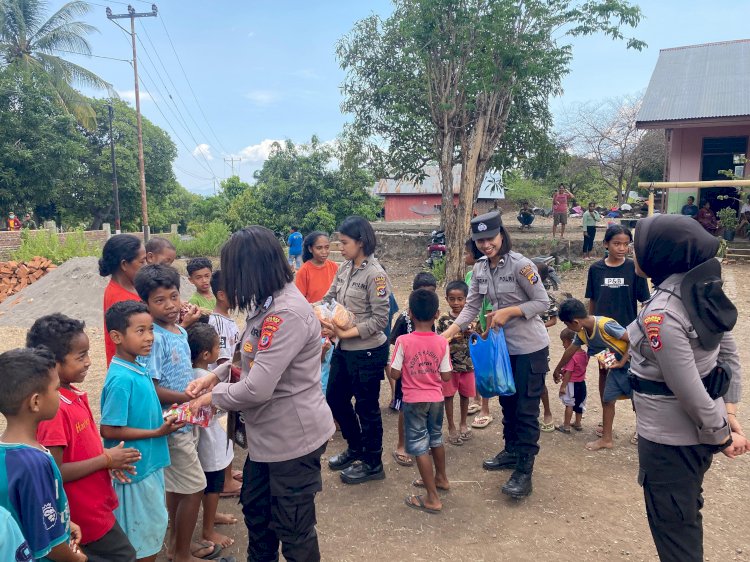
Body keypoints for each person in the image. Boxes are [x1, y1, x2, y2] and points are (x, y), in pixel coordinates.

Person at [185, 225, 335, 562]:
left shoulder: (286, 313)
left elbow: (257, 387)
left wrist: (212, 396)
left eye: (236, 272)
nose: (230, 283)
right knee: (257, 514)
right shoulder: (266, 303)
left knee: (293, 529)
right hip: (267, 438)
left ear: (253, 270)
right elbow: (249, 353)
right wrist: (215, 376)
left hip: (292, 439)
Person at [629, 214, 747, 561]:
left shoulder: (662, 314)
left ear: (661, 255)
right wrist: (729, 409)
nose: (636, 252)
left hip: (669, 443)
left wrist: (723, 435)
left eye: (640, 246)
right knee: (684, 517)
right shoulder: (699, 291)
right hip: (691, 440)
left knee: (675, 535)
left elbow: (688, 389)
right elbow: (728, 353)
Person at [441, 211, 550, 499]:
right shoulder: (479, 268)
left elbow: (542, 302)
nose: (485, 244)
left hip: (528, 349)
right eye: (479, 240)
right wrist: (446, 335)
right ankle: (511, 451)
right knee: (509, 403)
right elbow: (471, 307)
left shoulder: (521, 266)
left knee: (526, 409)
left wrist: (511, 311)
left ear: (501, 234)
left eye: (490, 238)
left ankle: (524, 471)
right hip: (501, 350)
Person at [29, 314, 139, 562]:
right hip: (82, 516)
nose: (89, 361)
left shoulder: (70, 395)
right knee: (125, 557)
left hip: (94, 506)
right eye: (81, 356)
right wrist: (106, 460)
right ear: (52, 363)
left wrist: (107, 463)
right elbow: (55, 471)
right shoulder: (54, 410)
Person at [133, 265, 215, 562]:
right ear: (146, 303)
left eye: (174, 296)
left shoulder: (180, 330)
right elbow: (151, 388)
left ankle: (174, 544)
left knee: (179, 488)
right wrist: (187, 396)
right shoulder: (153, 338)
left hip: (186, 420)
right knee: (194, 488)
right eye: (159, 300)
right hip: (173, 424)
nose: (170, 305)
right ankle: (181, 553)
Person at [100, 300, 186, 562]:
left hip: (149, 463)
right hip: (134, 470)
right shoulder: (121, 379)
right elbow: (110, 429)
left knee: (152, 529)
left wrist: (165, 420)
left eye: (150, 330)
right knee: (142, 542)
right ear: (116, 336)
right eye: (140, 331)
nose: (150, 337)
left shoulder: (138, 366)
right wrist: (157, 432)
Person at [321, 216, 391, 484]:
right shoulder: (345, 268)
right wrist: (318, 312)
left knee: (367, 408)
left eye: (344, 242)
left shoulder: (376, 274)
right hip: (344, 348)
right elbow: (329, 298)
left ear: (361, 242)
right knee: (335, 399)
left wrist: (343, 333)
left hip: (368, 352)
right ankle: (356, 447)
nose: (340, 246)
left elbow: (379, 320)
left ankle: (373, 463)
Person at [0, 347, 86, 562]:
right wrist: (79, 559)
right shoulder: (34, 463)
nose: (59, 394)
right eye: (56, 389)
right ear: (35, 402)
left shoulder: (7, 452)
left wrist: (64, 523)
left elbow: (33, 512)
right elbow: (50, 546)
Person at [389, 289, 452, 514]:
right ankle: (441, 478)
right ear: (437, 314)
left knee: (418, 446)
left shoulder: (404, 341)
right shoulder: (442, 342)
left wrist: (406, 368)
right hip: (436, 399)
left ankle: (432, 498)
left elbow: (394, 374)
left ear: (410, 314)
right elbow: (446, 376)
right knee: (436, 438)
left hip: (414, 400)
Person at [585, 224, 650, 441]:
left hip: (628, 337)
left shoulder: (635, 269)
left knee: (635, 377)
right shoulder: (595, 270)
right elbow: (592, 302)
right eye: (616, 243)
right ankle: (606, 420)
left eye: (625, 244)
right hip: (604, 338)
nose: (622, 248)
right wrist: (589, 331)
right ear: (606, 244)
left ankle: (641, 426)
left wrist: (641, 331)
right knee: (605, 372)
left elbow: (645, 303)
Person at [554, 298, 631, 452]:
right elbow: (571, 350)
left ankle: (646, 435)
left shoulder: (605, 324)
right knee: (608, 399)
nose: (567, 327)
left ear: (575, 322)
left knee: (639, 402)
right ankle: (607, 439)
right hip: (615, 369)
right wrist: (557, 369)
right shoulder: (582, 333)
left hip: (634, 366)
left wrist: (622, 361)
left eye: (566, 324)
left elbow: (633, 339)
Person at [186, 323, 236, 551]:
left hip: (207, 442)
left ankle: (212, 516)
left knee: (210, 485)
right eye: (218, 346)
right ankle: (208, 529)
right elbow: (213, 410)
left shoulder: (191, 375)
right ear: (207, 354)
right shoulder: (206, 379)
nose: (220, 350)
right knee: (213, 486)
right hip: (211, 443)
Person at [388, 272, 438, 467]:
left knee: (427, 408)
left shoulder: (434, 316)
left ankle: (425, 443)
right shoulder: (405, 318)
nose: (426, 298)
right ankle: (402, 445)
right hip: (407, 375)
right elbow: (394, 341)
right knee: (404, 409)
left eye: (431, 293)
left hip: (427, 373)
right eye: (422, 293)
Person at [207, 270, 243, 499]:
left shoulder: (226, 320)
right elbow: (223, 359)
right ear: (221, 294)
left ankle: (228, 474)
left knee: (227, 433)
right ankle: (225, 481)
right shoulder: (219, 323)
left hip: (226, 384)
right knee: (222, 433)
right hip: (222, 384)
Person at [436, 281, 476, 446]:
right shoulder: (444, 320)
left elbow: (479, 340)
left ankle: (463, 423)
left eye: (460, 299)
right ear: (446, 299)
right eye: (452, 299)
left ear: (467, 299)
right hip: (450, 367)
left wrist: (474, 333)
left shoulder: (472, 318)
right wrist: (453, 338)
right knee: (449, 396)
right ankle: (451, 426)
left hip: (468, 366)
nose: (456, 303)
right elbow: (438, 341)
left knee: (466, 395)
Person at [100, 234, 147, 366]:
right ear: (125, 264)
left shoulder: (129, 289)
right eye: (142, 262)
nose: (146, 266)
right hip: (131, 366)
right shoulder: (122, 300)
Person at [464, 238, 493, 426]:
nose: (464, 256)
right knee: (474, 365)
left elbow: (490, 307)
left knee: (485, 368)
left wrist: (487, 332)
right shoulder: (470, 274)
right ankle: (475, 400)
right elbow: (470, 304)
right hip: (477, 326)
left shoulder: (489, 274)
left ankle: (486, 408)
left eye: (467, 252)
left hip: (488, 328)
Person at [534, 260, 559, 433]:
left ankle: (547, 412)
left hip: (539, 344)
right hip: (521, 344)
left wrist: (538, 326)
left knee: (540, 380)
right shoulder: (520, 295)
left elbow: (553, 320)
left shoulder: (547, 298)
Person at [555, 328, 589, 434]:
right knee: (579, 404)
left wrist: (563, 386)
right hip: (582, 383)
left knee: (569, 404)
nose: (563, 345)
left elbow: (569, 372)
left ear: (570, 341)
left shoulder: (571, 356)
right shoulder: (584, 354)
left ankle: (566, 426)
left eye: (564, 342)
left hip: (571, 384)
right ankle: (578, 423)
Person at [295, 231, 339, 304]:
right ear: (310, 249)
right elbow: (300, 300)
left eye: (327, 247)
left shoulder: (334, 266)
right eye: (319, 248)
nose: (324, 251)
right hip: (313, 312)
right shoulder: (304, 271)